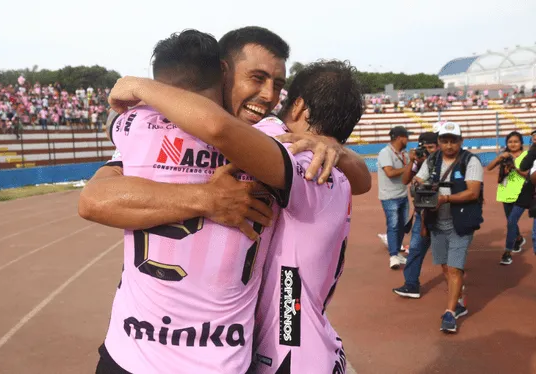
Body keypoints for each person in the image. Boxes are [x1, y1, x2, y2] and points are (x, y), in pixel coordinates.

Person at [79, 27, 370, 373]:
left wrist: (337, 149)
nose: (268, 95)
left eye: (278, 85)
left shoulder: (273, 140)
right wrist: (207, 199)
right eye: (257, 78)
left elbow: (359, 179)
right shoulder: (161, 129)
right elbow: (92, 200)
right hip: (134, 354)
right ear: (223, 72)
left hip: (223, 359)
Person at [413, 122, 484, 333]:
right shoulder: (432, 160)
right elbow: (417, 179)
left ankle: (450, 313)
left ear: (461, 141)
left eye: (454, 140)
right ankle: (459, 300)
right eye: (445, 140)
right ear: (439, 142)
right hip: (436, 222)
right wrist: (418, 187)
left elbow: (473, 192)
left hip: (460, 223)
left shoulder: (470, 161)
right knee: (445, 266)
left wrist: (444, 198)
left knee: (454, 268)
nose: (449, 145)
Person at [393, 130, 439, 298]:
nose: (427, 151)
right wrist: (413, 161)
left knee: (446, 250)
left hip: (443, 211)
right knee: (415, 247)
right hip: (422, 212)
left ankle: (456, 285)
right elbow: (405, 180)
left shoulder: (443, 161)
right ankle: (411, 284)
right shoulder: (419, 161)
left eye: (431, 147)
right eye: (423, 147)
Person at [486, 131, 529, 265]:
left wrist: (515, 167)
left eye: (516, 141)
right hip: (505, 193)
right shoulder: (504, 156)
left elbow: (528, 175)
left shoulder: (527, 156)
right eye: (510, 142)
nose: (513, 144)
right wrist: (500, 158)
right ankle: (519, 238)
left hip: (522, 194)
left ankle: (507, 252)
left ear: (521, 143)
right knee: (511, 221)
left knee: (511, 221)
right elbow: (489, 168)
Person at [377, 126, 411, 269]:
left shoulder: (405, 154)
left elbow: (410, 173)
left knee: (402, 226)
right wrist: (409, 167)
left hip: (402, 194)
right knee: (393, 225)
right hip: (389, 196)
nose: (408, 140)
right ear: (399, 138)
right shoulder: (385, 153)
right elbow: (390, 173)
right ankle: (393, 256)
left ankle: (397, 253)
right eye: (406, 137)